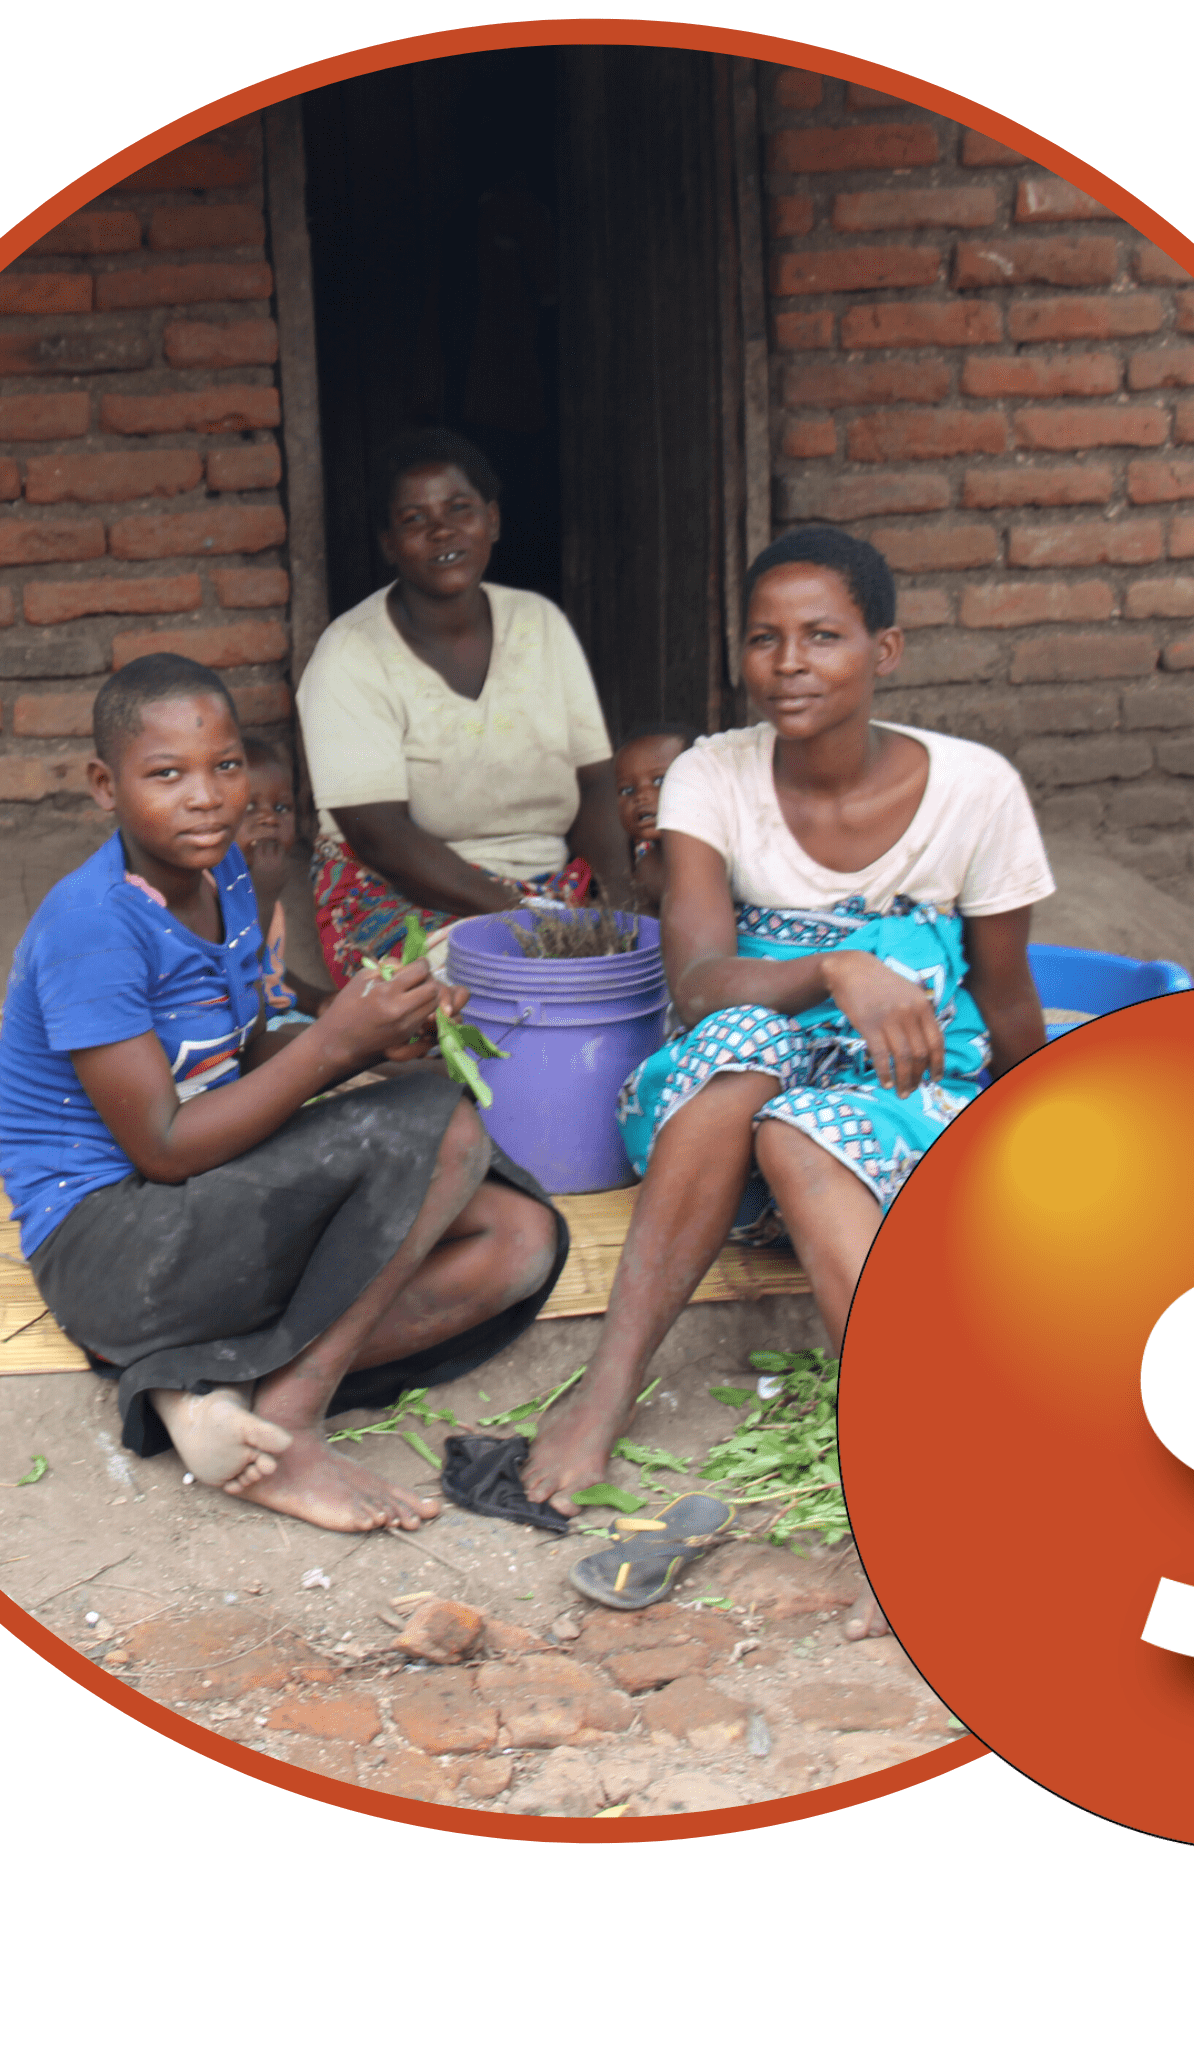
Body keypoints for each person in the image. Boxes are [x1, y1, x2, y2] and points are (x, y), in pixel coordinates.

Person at [519, 528, 1054, 1628]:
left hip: (893, 1105)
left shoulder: (976, 792)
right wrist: (831, 965)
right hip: (717, 1122)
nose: (791, 662)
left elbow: (1005, 999)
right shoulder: (711, 775)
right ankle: (610, 1387)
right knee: (740, 1059)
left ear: (885, 649)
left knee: (803, 1132)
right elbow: (702, 982)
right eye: (766, 640)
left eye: (823, 636)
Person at [0, 653, 565, 1534]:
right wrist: (337, 1044)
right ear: (105, 786)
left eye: (224, 767)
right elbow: (163, 1146)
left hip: (205, 1205)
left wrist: (380, 1038)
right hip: (109, 1245)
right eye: (167, 774)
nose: (207, 798)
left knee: (515, 1239)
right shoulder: (91, 926)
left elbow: (248, 1046)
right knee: (442, 1129)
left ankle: (212, 1390)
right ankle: (291, 1421)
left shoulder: (224, 878)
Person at [298, 428, 631, 981]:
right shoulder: (349, 653)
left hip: (545, 890)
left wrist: (621, 912)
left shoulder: (539, 624)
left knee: (634, 961)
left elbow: (596, 782)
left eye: (460, 508)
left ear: (493, 520)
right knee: (473, 994)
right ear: (387, 543)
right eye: (414, 520)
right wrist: (517, 918)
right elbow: (377, 832)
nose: (442, 530)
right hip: (400, 894)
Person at [237, 733, 330, 1019]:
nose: (269, 819)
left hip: (271, 1011)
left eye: (281, 808)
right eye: (250, 807)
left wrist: (320, 1002)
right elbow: (239, 970)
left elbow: (271, 972)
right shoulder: (206, 891)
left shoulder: (264, 885)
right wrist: (263, 896)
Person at [612, 724, 698, 916]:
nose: (641, 796)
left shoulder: (720, 859)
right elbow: (645, 928)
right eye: (627, 790)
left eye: (659, 781)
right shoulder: (647, 868)